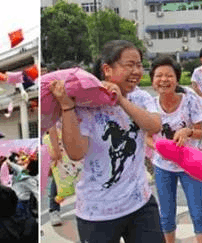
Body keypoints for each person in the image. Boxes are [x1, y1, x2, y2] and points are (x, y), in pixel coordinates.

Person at [49, 39, 163, 242]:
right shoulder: (86, 105)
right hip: (97, 213)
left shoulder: (140, 97)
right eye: (130, 65)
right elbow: (76, 153)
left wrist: (121, 100)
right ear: (107, 69)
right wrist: (67, 107)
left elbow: (154, 125)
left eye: (139, 65)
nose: (137, 71)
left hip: (140, 203)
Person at [144, 56, 202, 243]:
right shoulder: (150, 105)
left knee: (198, 213)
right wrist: (160, 147)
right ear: (153, 80)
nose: (164, 80)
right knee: (166, 215)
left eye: (169, 75)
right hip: (163, 167)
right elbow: (147, 137)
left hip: (190, 165)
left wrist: (188, 131)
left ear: (177, 79)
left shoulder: (189, 100)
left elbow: (201, 131)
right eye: (159, 76)